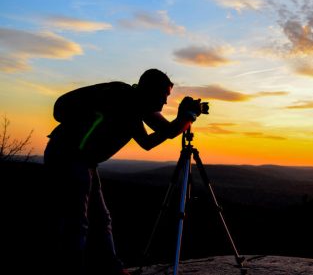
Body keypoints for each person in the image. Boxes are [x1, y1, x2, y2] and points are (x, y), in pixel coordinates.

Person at [44, 69, 204, 275]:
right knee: (78, 222)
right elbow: (156, 137)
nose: (165, 103)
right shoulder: (124, 101)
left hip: (84, 162)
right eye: (164, 95)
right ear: (150, 90)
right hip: (68, 158)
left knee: (101, 219)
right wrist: (187, 117)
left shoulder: (136, 104)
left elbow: (159, 136)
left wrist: (185, 118)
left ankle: (112, 268)